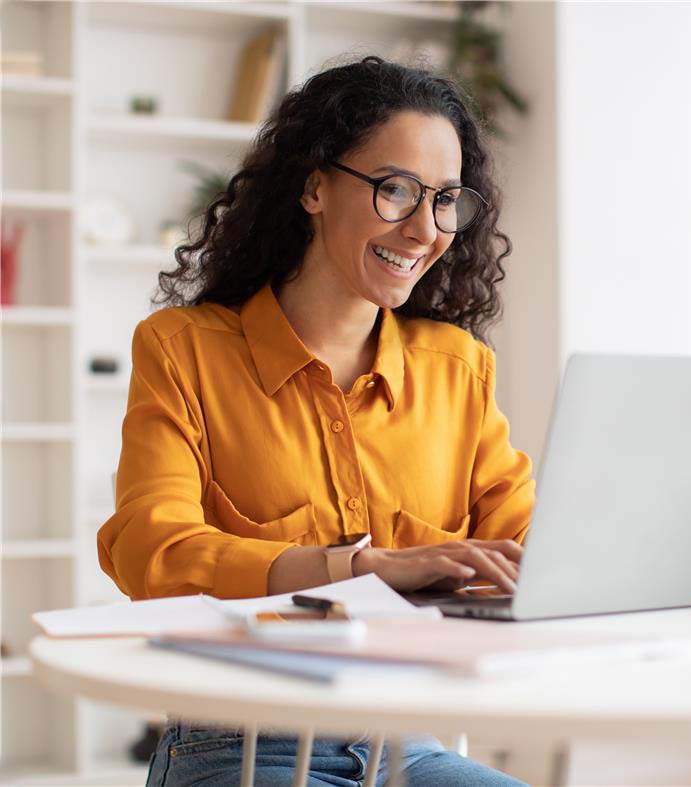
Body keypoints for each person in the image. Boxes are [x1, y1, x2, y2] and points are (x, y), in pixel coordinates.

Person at [98, 54, 535, 787]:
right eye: (395, 190)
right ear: (313, 186)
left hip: (406, 739)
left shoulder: (456, 368)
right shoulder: (184, 350)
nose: (425, 228)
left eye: (445, 199)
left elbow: (526, 546)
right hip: (237, 743)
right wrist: (356, 568)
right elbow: (153, 549)